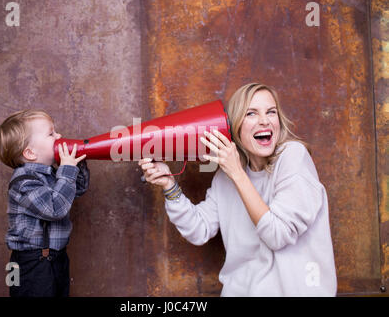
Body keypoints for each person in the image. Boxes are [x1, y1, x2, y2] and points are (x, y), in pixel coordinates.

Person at [139, 83, 337, 296]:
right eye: (251, 113)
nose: (264, 120)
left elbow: (277, 235)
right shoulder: (227, 175)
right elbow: (199, 230)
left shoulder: (293, 156)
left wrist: (237, 174)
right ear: (234, 126)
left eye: (271, 112)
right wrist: (169, 185)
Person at [0, 109, 90, 297]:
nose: (59, 136)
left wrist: (76, 164)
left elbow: (77, 189)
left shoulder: (52, 173)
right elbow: (55, 209)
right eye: (51, 133)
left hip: (56, 259)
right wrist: (67, 171)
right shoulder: (23, 182)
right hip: (30, 265)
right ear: (30, 153)